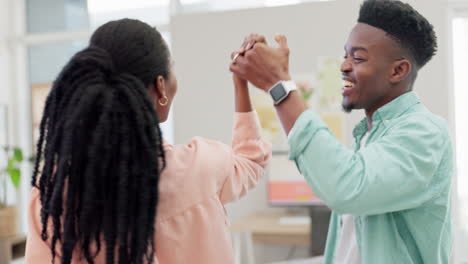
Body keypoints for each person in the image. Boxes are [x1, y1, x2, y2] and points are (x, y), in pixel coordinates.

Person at [25, 18, 271, 264]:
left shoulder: (53, 199)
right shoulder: (199, 167)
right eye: (171, 66)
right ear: (161, 87)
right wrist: (241, 85)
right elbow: (251, 160)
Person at [230, 0, 453, 263]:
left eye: (358, 57)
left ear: (398, 70)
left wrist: (278, 84)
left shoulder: (425, 132)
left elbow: (347, 187)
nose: (344, 66)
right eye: (345, 55)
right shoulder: (369, 137)